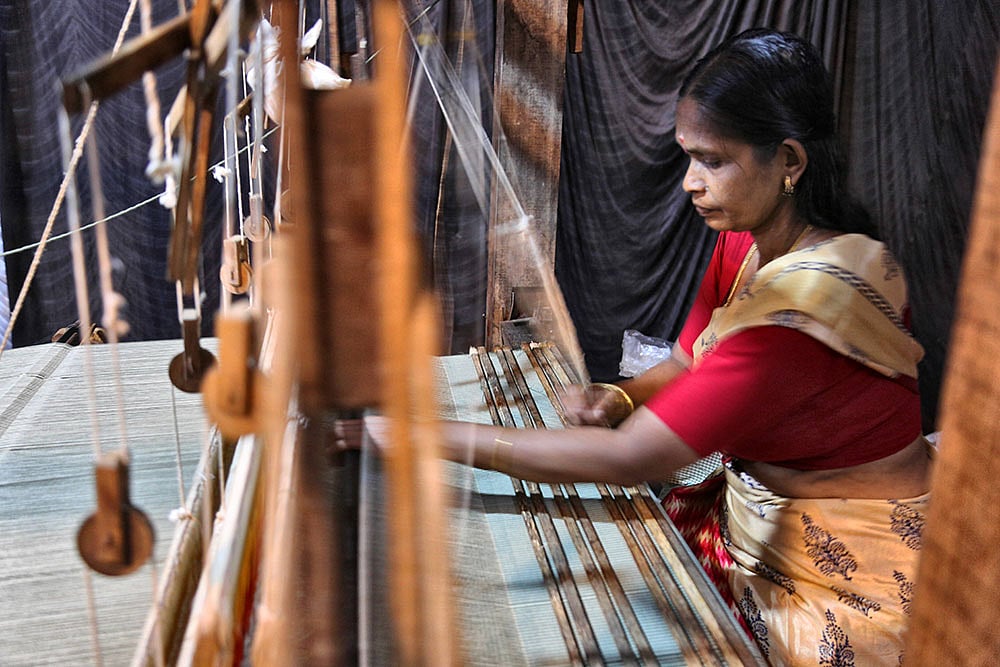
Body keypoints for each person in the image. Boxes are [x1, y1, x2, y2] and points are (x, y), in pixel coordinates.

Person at [353, 28, 929, 665]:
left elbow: (632, 460)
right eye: (687, 157)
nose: (690, 182)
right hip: (759, 506)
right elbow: (686, 360)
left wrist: (422, 436)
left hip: (844, 559)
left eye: (712, 160)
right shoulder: (753, 240)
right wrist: (623, 395)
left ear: (789, 161)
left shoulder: (803, 310)